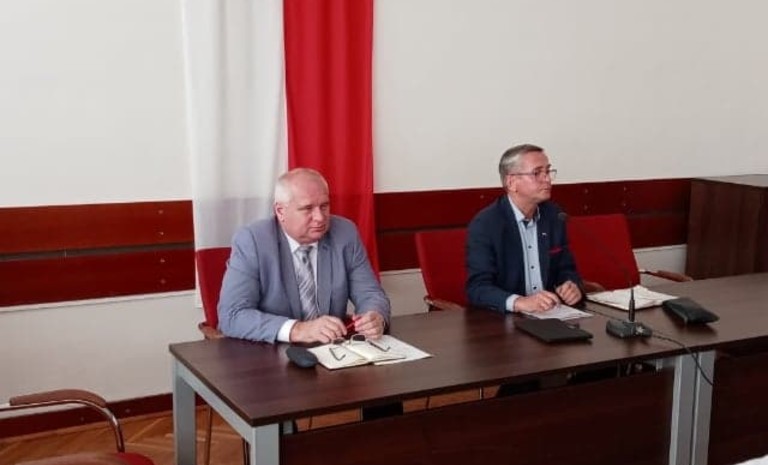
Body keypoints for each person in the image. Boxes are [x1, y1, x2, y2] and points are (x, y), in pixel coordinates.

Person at [218, 167, 390, 344]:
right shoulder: (252, 241)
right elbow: (232, 315)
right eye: (307, 208)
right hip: (270, 351)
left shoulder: (345, 233)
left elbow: (370, 293)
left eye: (324, 206)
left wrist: (375, 316)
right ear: (280, 211)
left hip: (332, 349)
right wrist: (298, 330)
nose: (320, 217)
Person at [466, 143, 584, 314]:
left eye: (548, 171)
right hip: (504, 319)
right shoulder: (486, 224)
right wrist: (519, 302)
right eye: (537, 173)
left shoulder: (554, 215)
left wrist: (571, 286)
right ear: (512, 182)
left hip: (551, 314)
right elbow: (478, 288)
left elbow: (566, 269)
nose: (547, 179)